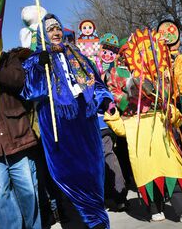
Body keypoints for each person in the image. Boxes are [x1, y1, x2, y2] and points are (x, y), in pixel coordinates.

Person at [21, 14, 111, 229]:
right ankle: (76, 222)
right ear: (43, 33)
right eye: (50, 29)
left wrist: (104, 100)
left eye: (57, 28)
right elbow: (31, 91)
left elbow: (96, 82)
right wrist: (39, 68)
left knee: (92, 168)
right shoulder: (35, 59)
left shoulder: (76, 54)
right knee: (67, 172)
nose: (55, 32)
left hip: (84, 118)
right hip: (57, 120)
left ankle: (97, 220)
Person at [104, 47, 182, 223]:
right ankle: (155, 208)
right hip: (136, 124)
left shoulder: (151, 69)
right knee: (148, 174)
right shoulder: (118, 72)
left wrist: (167, 107)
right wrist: (112, 113)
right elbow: (120, 126)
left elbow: (176, 119)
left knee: (172, 171)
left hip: (160, 130)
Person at [0, 46, 41, 229]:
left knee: (28, 190)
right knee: (1, 194)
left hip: (17, 137)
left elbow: (18, 80)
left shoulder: (9, 58)